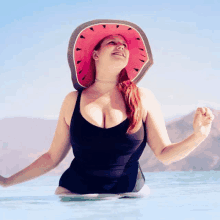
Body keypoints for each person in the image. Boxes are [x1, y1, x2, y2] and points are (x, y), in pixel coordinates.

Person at [0, 19, 215, 199]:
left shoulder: (143, 98)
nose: (121, 46)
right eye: (112, 42)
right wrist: (7, 182)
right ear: (95, 54)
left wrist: (199, 135)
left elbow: (165, 154)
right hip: (74, 197)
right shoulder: (72, 101)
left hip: (129, 199)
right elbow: (51, 158)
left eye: (124, 45)